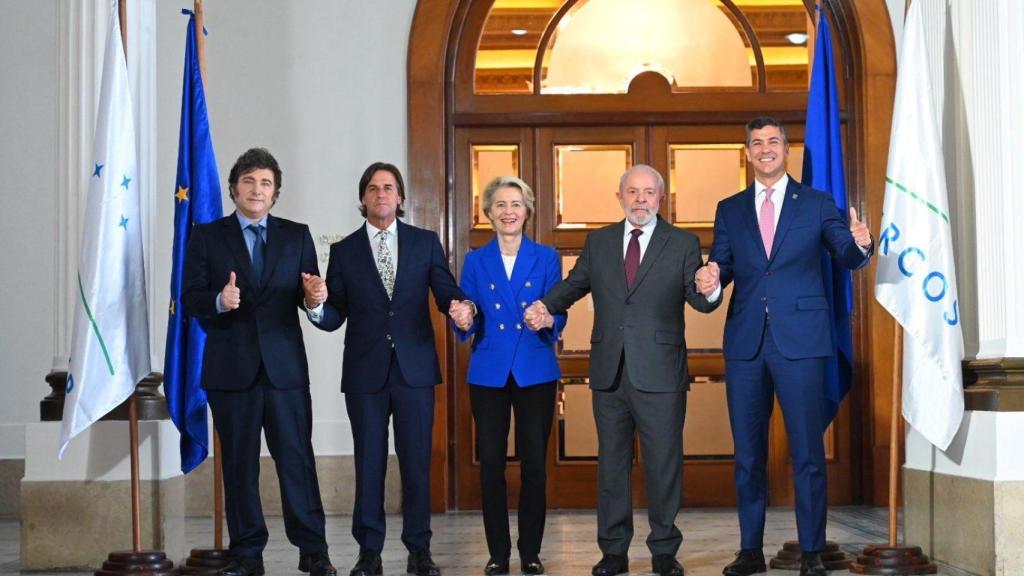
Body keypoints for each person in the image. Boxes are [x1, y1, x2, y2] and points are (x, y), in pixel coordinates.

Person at [524, 164, 720, 576]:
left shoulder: (683, 243)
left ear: (660, 199)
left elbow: (701, 301)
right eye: (632, 192)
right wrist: (546, 306)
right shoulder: (599, 242)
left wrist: (710, 287)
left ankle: (664, 551)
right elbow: (574, 284)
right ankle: (613, 551)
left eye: (649, 193)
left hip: (662, 373)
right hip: (610, 371)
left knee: (663, 463)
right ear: (620, 197)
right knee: (611, 465)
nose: (641, 200)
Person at [698, 117, 873, 576]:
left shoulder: (816, 203)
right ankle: (750, 551)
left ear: (786, 150)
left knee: (808, 453)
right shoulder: (730, 208)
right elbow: (722, 267)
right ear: (748, 153)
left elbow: (845, 254)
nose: (765, 149)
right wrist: (712, 282)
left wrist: (861, 245)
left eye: (773, 141)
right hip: (746, 345)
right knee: (748, 456)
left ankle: (812, 551)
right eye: (756, 143)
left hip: (803, 343)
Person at [307, 162, 475, 576]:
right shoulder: (345, 251)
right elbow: (335, 315)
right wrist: (315, 305)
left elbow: (445, 291)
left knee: (417, 462)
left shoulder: (424, 242)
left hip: (415, 370)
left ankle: (419, 550)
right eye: (373, 188)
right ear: (363, 198)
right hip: (365, 374)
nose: (381, 194)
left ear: (400, 198)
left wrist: (461, 308)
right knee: (369, 462)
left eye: (389, 188)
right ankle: (369, 552)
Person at [181, 148, 337, 576]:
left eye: (265, 183)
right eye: (249, 180)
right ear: (234, 188)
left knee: (297, 461)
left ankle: (314, 550)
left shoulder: (296, 235)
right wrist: (218, 299)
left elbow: (310, 295)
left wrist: (314, 299)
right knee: (239, 465)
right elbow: (189, 298)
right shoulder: (208, 236)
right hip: (231, 373)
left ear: (275, 193)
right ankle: (247, 553)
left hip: (285, 371)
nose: (257, 189)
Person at [452, 176, 567, 576]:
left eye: (516, 204)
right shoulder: (475, 260)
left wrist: (549, 317)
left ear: (527, 210)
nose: (508, 212)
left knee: (535, 463)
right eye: (500, 204)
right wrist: (463, 316)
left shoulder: (547, 256)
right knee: (491, 464)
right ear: (488, 213)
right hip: (489, 371)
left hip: (535, 368)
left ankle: (531, 551)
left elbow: (559, 307)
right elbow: (467, 311)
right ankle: (497, 553)